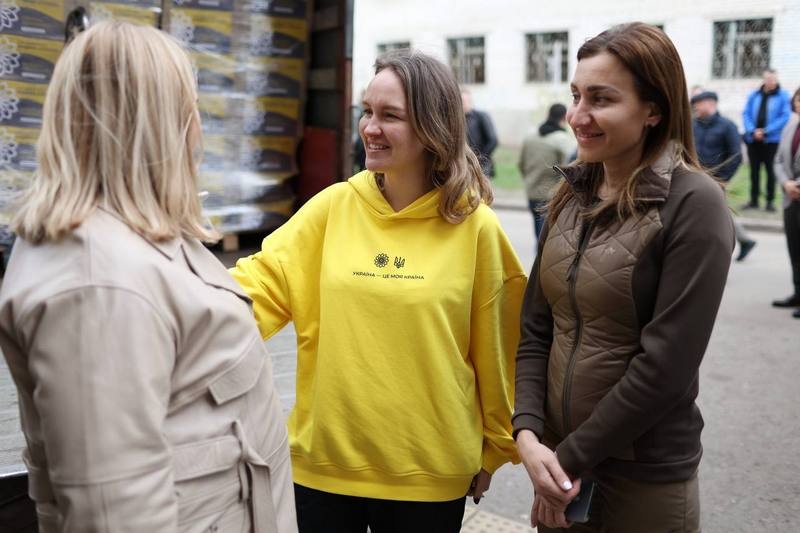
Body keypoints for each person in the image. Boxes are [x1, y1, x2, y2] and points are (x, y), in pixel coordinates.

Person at [0, 22, 296, 532]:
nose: (198, 125)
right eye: (190, 106)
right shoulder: (98, 287)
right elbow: (114, 513)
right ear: (162, 122)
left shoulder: (136, 234)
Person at [230, 49, 526, 533]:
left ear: (433, 127)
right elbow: (256, 288)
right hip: (323, 468)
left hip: (429, 474)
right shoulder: (333, 207)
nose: (370, 127)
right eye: (367, 111)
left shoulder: (476, 228)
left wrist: (495, 446)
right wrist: (177, 305)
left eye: (390, 115)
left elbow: (499, 350)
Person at [513, 22, 734, 532]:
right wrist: (528, 434)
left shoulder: (694, 204)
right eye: (576, 96)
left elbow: (664, 368)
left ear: (653, 110)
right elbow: (536, 330)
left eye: (601, 99)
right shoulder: (571, 194)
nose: (577, 116)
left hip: (642, 477)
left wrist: (566, 459)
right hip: (557, 463)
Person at [691, 89, 756, 261]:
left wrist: (722, 179)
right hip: (693, 179)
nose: (695, 107)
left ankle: (721, 250)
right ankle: (744, 240)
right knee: (713, 212)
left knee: (714, 213)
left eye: (699, 103)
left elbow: (736, 156)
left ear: (711, 104)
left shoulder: (727, 126)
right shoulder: (693, 125)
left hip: (716, 179)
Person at [518, 103, 577, 241]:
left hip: (532, 192)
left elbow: (521, 164)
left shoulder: (530, 137)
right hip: (552, 195)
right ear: (564, 118)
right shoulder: (562, 140)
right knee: (547, 240)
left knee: (538, 236)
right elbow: (572, 168)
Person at [741, 69, 792, 211]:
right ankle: (754, 201)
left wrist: (766, 130)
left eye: (773, 79)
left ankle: (770, 202)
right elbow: (746, 113)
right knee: (754, 171)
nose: (771, 82)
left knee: (771, 171)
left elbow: (785, 116)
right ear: (764, 79)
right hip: (754, 140)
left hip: (772, 141)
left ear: (777, 80)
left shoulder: (783, 96)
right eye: (768, 79)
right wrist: (753, 130)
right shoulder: (754, 95)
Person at [772, 86, 800, 318]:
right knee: (794, 248)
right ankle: (798, 293)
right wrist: (786, 184)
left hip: (796, 190)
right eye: (798, 99)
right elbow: (778, 160)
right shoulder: (790, 126)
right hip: (790, 198)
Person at [462, 88, 499, 178]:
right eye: (462, 101)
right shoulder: (456, 119)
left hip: (482, 163)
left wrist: (480, 158)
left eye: (467, 101)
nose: (464, 103)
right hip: (463, 164)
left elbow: (493, 141)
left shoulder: (481, 117)